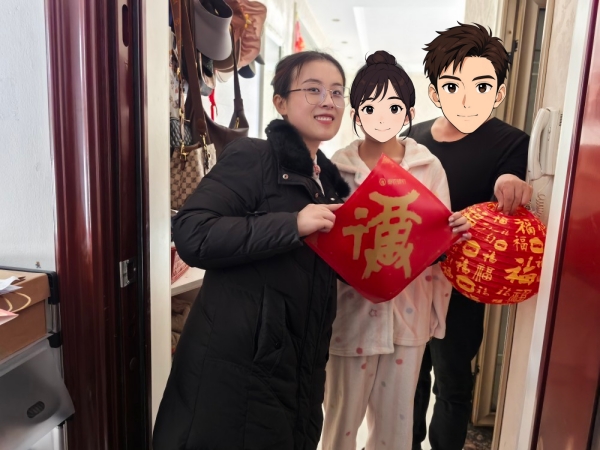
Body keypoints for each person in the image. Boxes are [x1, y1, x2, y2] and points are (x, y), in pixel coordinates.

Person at [152, 51, 352, 450]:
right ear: (280, 102)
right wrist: (291, 224)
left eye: (336, 92)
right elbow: (192, 232)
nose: (328, 101)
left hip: (298, 369)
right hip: (239, 369)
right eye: (313, 89)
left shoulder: (328, 184)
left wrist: (436, 238)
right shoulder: (254, 157)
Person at [320, 50, 470, 450]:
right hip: (350, 316)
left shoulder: (427, 167)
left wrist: (454, 233)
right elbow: (326, 245)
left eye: (393, 107)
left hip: (408, 315)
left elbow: (439, 243)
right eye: (370, 107)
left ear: (408, 113)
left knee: (396, 428)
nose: (381, 117)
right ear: (356, 112)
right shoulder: (336, 169)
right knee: (340, 423)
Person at [406, 23, 532, 450]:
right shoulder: (412, 139)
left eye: (480, 86)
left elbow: (512, 188)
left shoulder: (511, 143)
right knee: (408, 376)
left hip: (463, 283)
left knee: (453, 381)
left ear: (497, 92)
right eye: (452, 85)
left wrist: (512, 184)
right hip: (410, 277)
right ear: (435, 90)